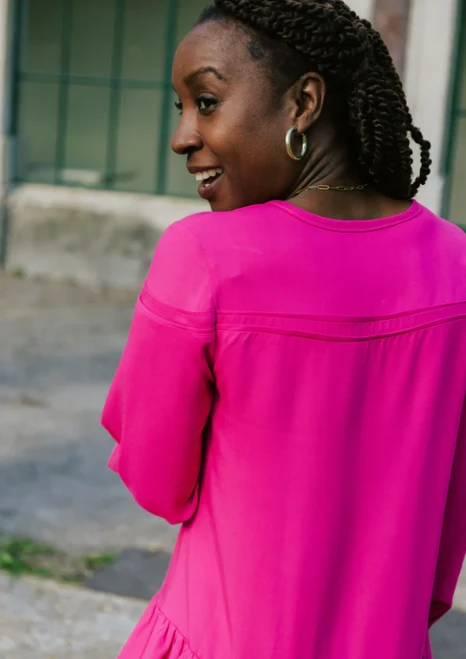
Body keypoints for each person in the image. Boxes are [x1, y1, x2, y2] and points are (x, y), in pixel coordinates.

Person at [101, 1, 466, 657]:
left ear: (303, 103)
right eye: (182, 109)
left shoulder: (205, 258)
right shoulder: (457, 264)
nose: (183, 137)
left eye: (206, 103)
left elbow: (157, 483)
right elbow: (444, 540)